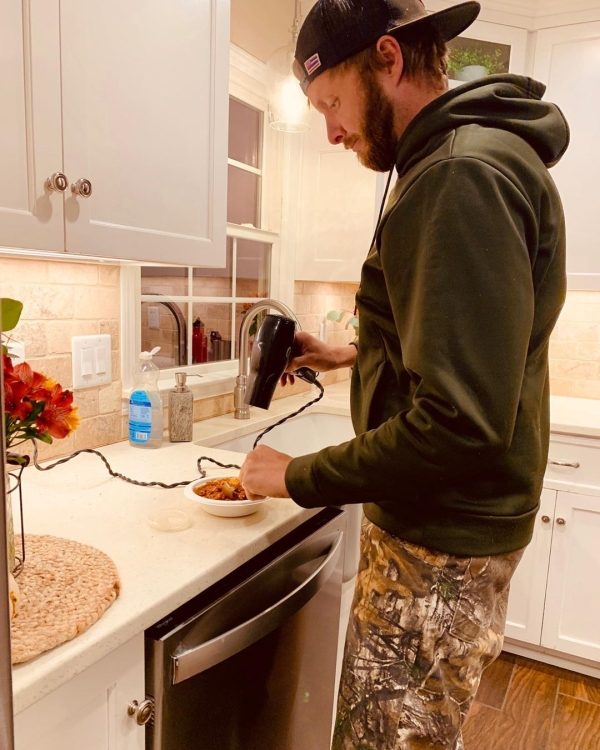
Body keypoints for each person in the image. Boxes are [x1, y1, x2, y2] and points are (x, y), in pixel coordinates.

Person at [239, 0, 569, 747]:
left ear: (387, 59)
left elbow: (457, 424)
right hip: (448, 531)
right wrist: (349, 354)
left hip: (438, 542)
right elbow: (463, 348)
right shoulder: (463, 157)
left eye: (332, 103)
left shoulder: (457, 176)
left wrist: (295, 474)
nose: (330, 132)